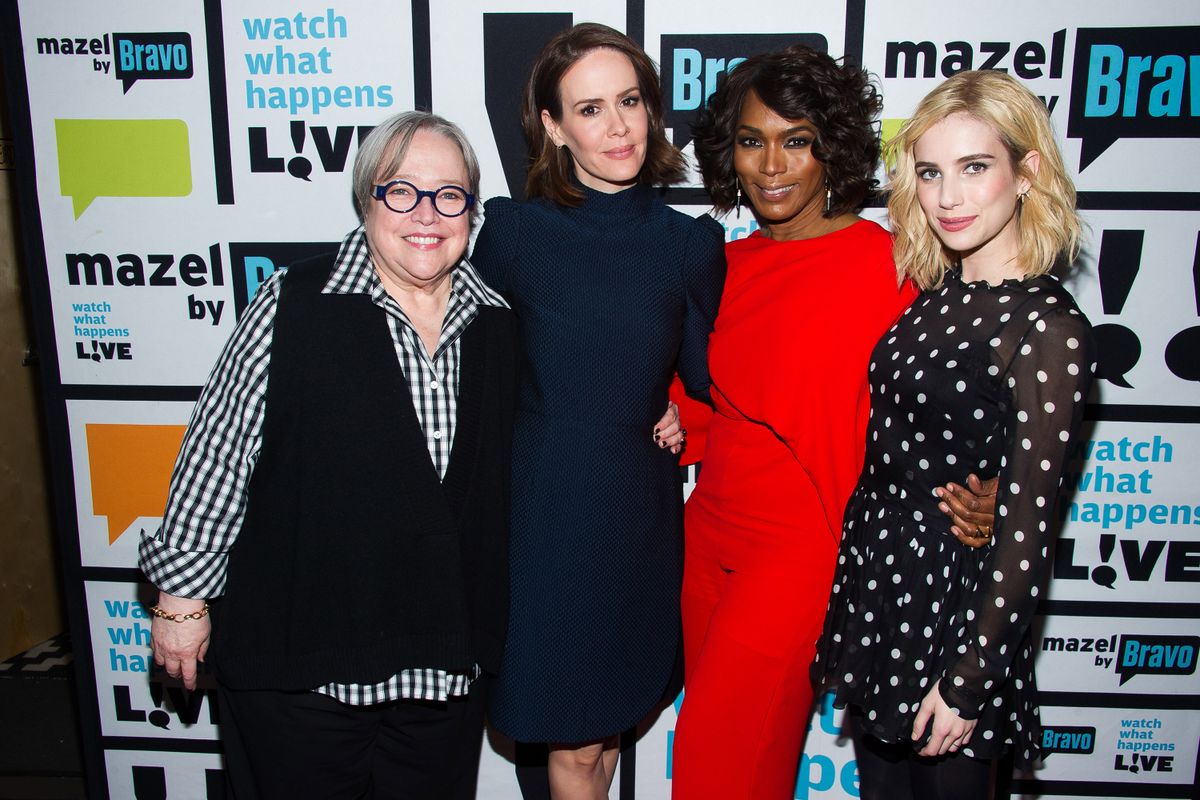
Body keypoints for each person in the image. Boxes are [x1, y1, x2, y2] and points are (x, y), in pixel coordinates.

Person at [138, 111, 518, 799]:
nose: (425, 214)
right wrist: (180, 602)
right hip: (300, 671)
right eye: (401, 191)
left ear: (472, 209)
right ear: (366, 199)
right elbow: (217, 454)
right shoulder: (292, 303)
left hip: (441, 673)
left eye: (449, 194)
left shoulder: (499, 323)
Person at [671, 46, 998, 799]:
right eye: (752, 141)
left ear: (834, 148)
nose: (772, 165)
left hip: (802, 552)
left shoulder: (893, 269)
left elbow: (977, 403)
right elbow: (696, 409)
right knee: (739, 765)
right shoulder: (723, 264)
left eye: (798, 139)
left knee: (715, 769)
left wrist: (994, 488)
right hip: (705, 540)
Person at [811, 70, 1095, 800]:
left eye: (975, 168)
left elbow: (1028, 527)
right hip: (889, 590)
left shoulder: (1046, 326)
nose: (948, 196)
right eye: (930, 172)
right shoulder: (936, 297)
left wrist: (969, 680)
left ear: (1027, 171)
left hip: (963, 610)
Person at [471, 22, 725, 799]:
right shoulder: (514, 235)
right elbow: (468, 373)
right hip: (544, 522)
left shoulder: (689, 245)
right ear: (551, 127)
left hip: (635, 525)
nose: (617, 126)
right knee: (576, 747)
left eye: (630, 101)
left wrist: (688, 409)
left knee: (602, 741)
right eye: (589, 109)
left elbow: (713, 381)